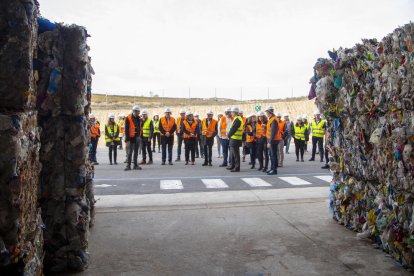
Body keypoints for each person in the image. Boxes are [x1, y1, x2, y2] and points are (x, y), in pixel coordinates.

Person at [124, 106, 142, 171]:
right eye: (137, 111)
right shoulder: (128, 118)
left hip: (137, 137)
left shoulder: (139, 118)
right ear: (134, 111)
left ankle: (135, 165)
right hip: (131, 138)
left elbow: (139, 128)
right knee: (130, 152)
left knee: (136, 152)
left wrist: (139, 137)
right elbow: (126, 130)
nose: (138, 113)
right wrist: (127, 140)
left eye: (138, 111)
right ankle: (128, 165)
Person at [226, 107, 244, 172]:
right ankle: (232, 165)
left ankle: (237, 167)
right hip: (234, 139)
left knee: (236, 154)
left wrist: (228, 135)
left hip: (235, 139)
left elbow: (233, 129)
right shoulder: (236, 118)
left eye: (232, 112)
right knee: (233, 153)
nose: (231, 113)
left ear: (234, 112)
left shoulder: (238, 119)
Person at [265, 106, 281, 175]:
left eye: (267, 112)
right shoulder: (271, 119)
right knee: (271, 155)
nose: (266, 114)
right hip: (272, 140)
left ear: (269, 112)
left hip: (273, 141)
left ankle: (274, 170)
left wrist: (270, 142)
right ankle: (272, 168)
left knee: (273, 155)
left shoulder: (273, 120)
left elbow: (273, 132)